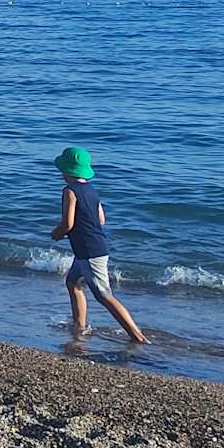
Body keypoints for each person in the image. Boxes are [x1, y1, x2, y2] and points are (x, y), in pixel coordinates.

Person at [48, 146, 149, 344]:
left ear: (67, 170)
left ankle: (137, 336)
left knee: (103, 295)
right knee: (73, 283)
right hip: (92, 247)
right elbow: (101, 219)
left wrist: (57, 233)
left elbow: (67, 223)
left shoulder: (69, 191)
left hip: (89, 251)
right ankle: (80, 326)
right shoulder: (92, 190)